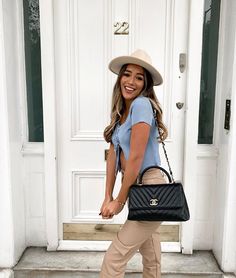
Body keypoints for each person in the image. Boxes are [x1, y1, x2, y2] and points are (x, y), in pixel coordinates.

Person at [99, 49, 168, 278]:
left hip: (149, 187)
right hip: (137, 187)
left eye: (139, 77)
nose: (131, 81)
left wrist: (119, 201)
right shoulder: (121, 114)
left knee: (114, 258)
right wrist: (107, 196)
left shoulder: (141, 105)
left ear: (145, 84)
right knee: (152, 259)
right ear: (120, 77)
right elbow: (112, 157)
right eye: (127, 74)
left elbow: (136, 158)